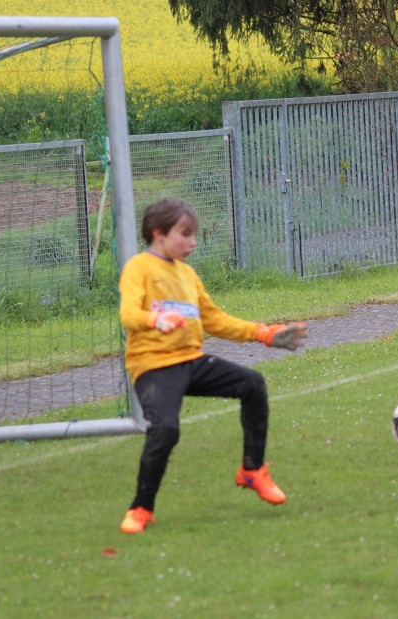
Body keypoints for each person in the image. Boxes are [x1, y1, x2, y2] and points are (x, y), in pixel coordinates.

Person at [117, 196, 307, 534]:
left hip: (192, 360)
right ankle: (141, 508)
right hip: (153, 366)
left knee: (252, 384)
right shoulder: (139, 268)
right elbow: (128, 314)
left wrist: (263, 333)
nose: (192, 242)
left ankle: (252, 469)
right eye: (184, 234)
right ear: (159, 233)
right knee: (166, 429)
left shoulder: (188, 275)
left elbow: (213, 320)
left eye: (194, 235)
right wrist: (154, 320)